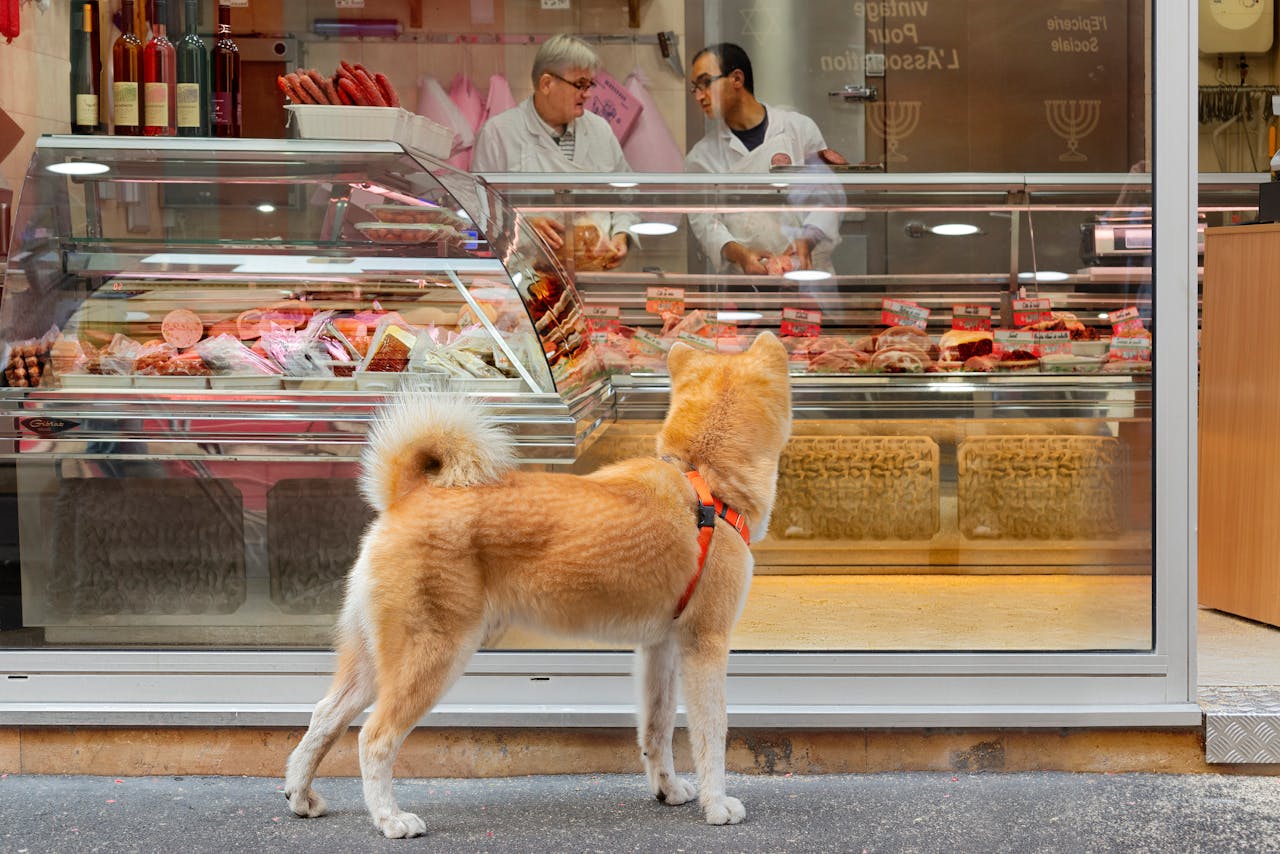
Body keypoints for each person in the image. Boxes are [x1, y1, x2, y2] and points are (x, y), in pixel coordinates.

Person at [472, 34, 634, 270]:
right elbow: (480, 213)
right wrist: (520, 226)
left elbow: (626, 197)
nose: (587, 94)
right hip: (527, 278)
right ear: (547, 83)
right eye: (580, 84)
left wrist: (622, 233)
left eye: (590, 84)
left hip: (595, 274)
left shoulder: (600, 131)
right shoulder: (498, 134)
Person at [684, 42, 843, 275]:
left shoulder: (798, 129)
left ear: (737, 79)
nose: (699, 96)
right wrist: (741, 255)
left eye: (706, 83)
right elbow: (706, 225)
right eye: (694, 88)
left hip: (807, 276)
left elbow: (826, 198)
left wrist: (806, 241)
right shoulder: (701, 157)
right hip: (746, 285)